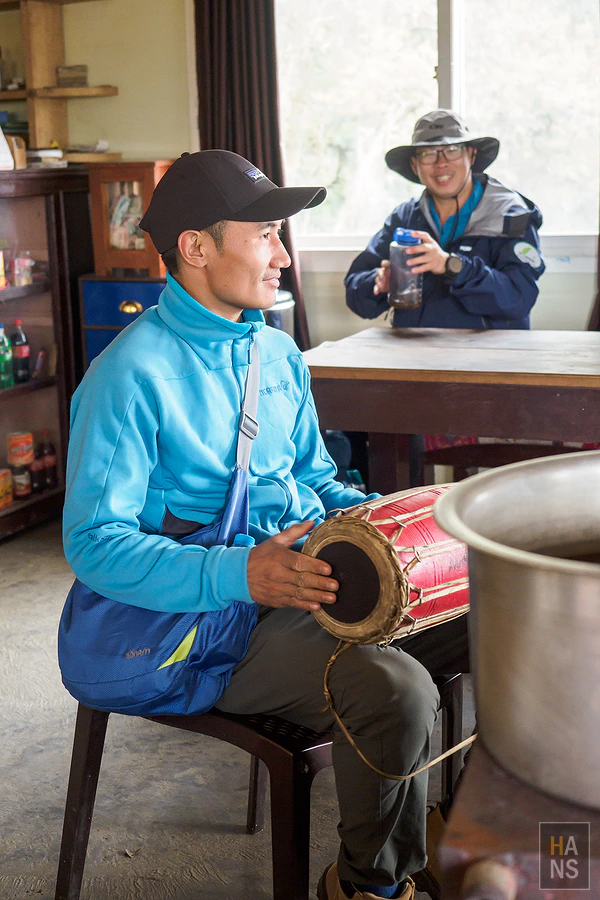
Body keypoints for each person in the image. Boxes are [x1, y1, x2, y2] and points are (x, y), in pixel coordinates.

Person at [62, 149, 468, 900]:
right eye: (265, 236)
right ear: (195, 248)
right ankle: (366, 887)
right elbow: (93, 544)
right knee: (396, 692)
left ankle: (458, 834)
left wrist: (394, 521)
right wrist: (238, 573)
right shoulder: (128, 376)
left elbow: (313, 480)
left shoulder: (276, 352)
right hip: (203, 624)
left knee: (490, 616)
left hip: (296, 581)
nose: (284, 255)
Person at [345, 109, 545, 329]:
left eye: (452, 150)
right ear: (415, 165)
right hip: (413, 356)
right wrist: (380, 283)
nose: (441, 163)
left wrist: (450, 265)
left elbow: (518, 299)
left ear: (471, 155)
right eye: (427, 154)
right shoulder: (404, 219)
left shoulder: (510, 216)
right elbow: (356, 297)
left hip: (489, 359)